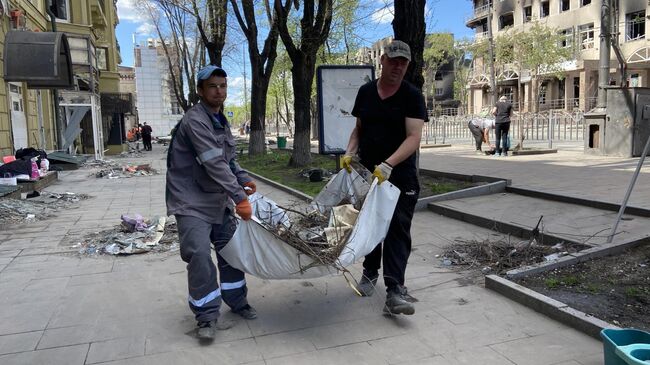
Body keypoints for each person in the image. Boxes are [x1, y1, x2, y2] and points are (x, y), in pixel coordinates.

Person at [166, 65, 258, 340]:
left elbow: (228, 158)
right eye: (212, 86)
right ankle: (206, 316)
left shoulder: (219, 119)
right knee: (198, 255)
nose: (219, 91)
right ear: (200, 90)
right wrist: (240, 197)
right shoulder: (195, 119)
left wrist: (242, 177)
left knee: (231, 250)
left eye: (223, 86)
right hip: (191, 200)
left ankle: (237, 300)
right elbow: (213, 162)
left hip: (216, 198)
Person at [341, 40, 426, 316]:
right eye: (393, 61)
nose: (398, 67)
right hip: (368, 173)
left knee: (397, 230)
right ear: (382, 60)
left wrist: (389, 164)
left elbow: (414, 137)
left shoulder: (412, 96)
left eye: (403, 63)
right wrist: (349, 152)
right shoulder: (366, 92)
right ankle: (369, 272)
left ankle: (394, 290)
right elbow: (359, 129)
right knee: (369, 225)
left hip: (400, 175)